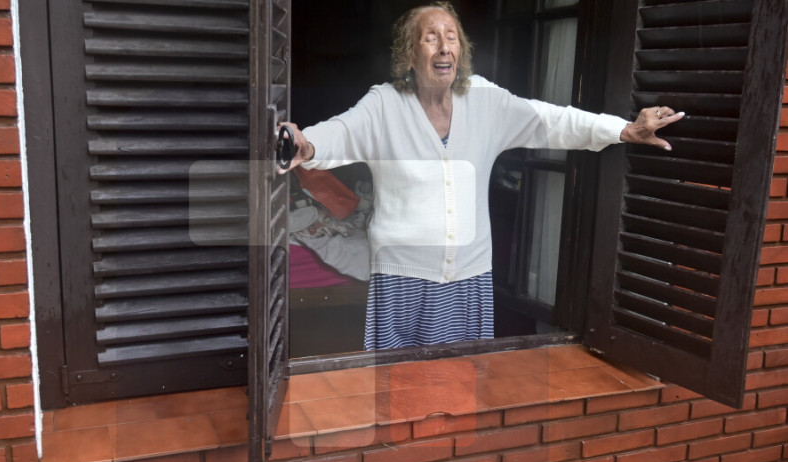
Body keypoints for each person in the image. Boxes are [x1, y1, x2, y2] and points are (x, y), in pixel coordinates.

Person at [280, 1, 682, 351]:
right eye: (430, 38)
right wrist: (305, 144)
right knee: (398, 391)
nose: (444, 47)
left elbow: (551, 120)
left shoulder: (484, 99)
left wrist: (623, 130)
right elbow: (340, 133)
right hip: (403, 278)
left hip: (468, 278)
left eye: (451, 37)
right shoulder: (384, 104)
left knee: (457, 389)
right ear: (409, 54)